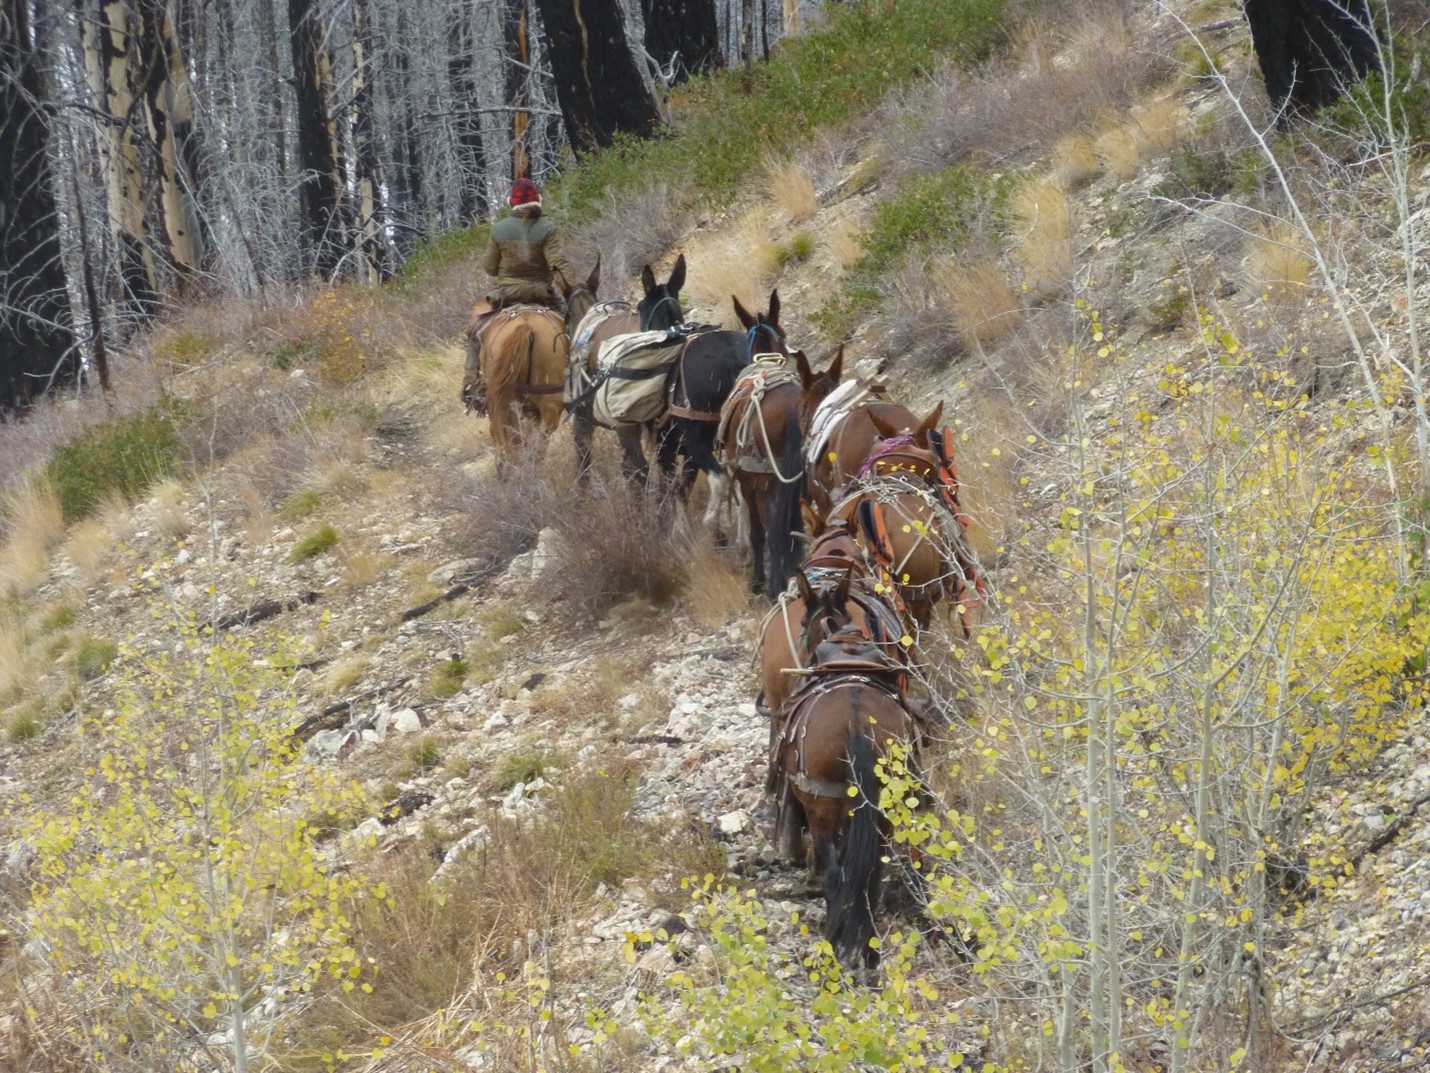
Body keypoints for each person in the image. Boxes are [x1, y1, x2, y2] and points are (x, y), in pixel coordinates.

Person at [462, 178, 574, 408]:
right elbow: (557, 263)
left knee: (474, 330)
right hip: (541, 293)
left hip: (507, 294)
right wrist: (571, 289)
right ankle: (577, 377)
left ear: (511, 202)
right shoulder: (547, 227)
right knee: (573, 324)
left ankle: (472, 383)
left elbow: (489, 267)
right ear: (537, 200)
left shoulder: (499, 229)